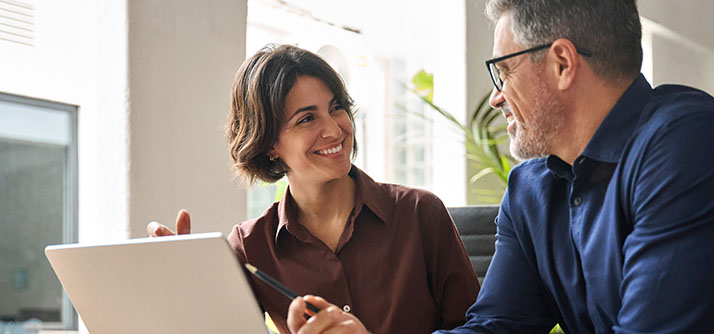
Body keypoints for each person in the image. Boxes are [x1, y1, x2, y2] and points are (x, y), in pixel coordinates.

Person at [287, 0, 714, 333]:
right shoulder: (530, 188)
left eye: (504, 70)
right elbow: (499, 326)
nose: (496, 97)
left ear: (562, 62)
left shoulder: (695, 146)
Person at [147, 44, 480, 334]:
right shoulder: (250, 247)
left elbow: (479, 330)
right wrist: (184, 286)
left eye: (336, 108)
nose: (335, 129)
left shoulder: (420, 214)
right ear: (269, 144)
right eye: (307, 119)